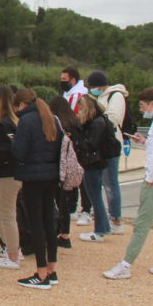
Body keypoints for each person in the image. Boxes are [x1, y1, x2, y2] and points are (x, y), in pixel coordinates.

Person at [104, 88, 153, 281]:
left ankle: (126, 265)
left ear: (152, 104)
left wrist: (150, 179)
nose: (142, 109)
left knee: (142, 224)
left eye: (143, 105)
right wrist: (145, 142)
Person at [10, 87, 63, 289]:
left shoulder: (27, 121)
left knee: (36, 223)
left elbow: (19, 152)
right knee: (49, 221)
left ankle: (40, 272)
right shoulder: (51, 118)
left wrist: (13, 142)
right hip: (51, 174)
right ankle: (51, 268)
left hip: (33, 176)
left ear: (22, 104)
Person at [87, 70, 129, 234]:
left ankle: (116, 219)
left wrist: (95, 120)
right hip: (101, 144)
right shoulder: (100, 97)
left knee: (110, 184)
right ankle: (106, 217)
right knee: (103, 183)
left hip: (111, 145)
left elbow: (114, 118)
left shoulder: (116, 95)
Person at [0, 85, 22, 270]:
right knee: (0, 212)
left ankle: (13, 254)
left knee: (6, 214)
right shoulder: (15, 121)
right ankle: (9, 248)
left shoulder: (4, 123)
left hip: (6, 173)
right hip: (11, 172)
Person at [48, 96, 85, 250]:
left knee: (57, 202)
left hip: (61, 168)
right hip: (74, 165)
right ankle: (65, 234)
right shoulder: (75, 122)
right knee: (66, 201)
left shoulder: (58, 125)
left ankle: (59, 232)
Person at [61, 65, 95, 226]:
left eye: (64, 80)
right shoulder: (68, 94)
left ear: (72, 80)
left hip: (78, 139)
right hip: (72, 138)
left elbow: (75, 117)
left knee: (81, 175)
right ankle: (72, 207)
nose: (62, 82)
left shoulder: (79, 95)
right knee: (72, 172)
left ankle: (86, 209)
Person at [76, 95, 113, 243]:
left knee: (95, 196)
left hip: (93, 162)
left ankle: (99, 230)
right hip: (96, 162)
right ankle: (103, 227)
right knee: (95, 196)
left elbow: (91, 144)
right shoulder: (98, 121)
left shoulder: (97, 123)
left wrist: (78, 140)